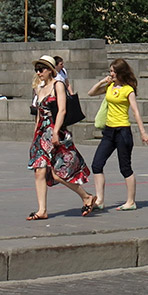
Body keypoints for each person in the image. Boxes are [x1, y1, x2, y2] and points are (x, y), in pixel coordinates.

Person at [27, 55, 97, 219]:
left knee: (59, 173)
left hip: (55, 132)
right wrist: (35, 134)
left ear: (50, 70)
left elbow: (62, 110)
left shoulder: (58, 85)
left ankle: (86, 196)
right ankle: (42, 210)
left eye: (41, 69)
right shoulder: (39, 88)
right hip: (41, 134)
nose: (38, 73)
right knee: (39, 171)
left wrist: (56, 131)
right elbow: (39, 114)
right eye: (36, 70)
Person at [88, 58, 148, 211]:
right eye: (110, 71)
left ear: (121, 73)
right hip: (109, 131)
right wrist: (103, 81)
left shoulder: (128, 89)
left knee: (125, 168)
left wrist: (143, 132)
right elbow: (91, 93)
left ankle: (131, 201)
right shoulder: (109, 86)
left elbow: (135, 111)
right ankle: (100, 200)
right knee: (97, 164)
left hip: (123, 131)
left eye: (114, 72)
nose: (111, 74)